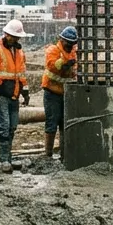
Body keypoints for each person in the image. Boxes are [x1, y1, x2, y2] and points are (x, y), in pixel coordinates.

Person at [0, 19, 30, 173]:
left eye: (17, 37)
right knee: (3, 127)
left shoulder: (19, 52)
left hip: (14, 94)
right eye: (13, 36)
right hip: (1, 94)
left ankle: (8, 159)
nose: (15, 39)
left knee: (12, 127)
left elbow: (21, 72)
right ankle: (4, 160)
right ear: (6, 34)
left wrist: (25, 90)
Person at [41, 26, 79, 159]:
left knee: (65, 123)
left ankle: (65, 153)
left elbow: (75, 70)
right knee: (52, 123)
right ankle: (48, 154)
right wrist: (65, 62)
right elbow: (53, 65)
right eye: (68, 43)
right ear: (62, 40)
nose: (70, 46)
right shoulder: (53, 50)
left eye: (72, 43)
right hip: (52, 92)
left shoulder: (73, 52)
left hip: (66, 94)